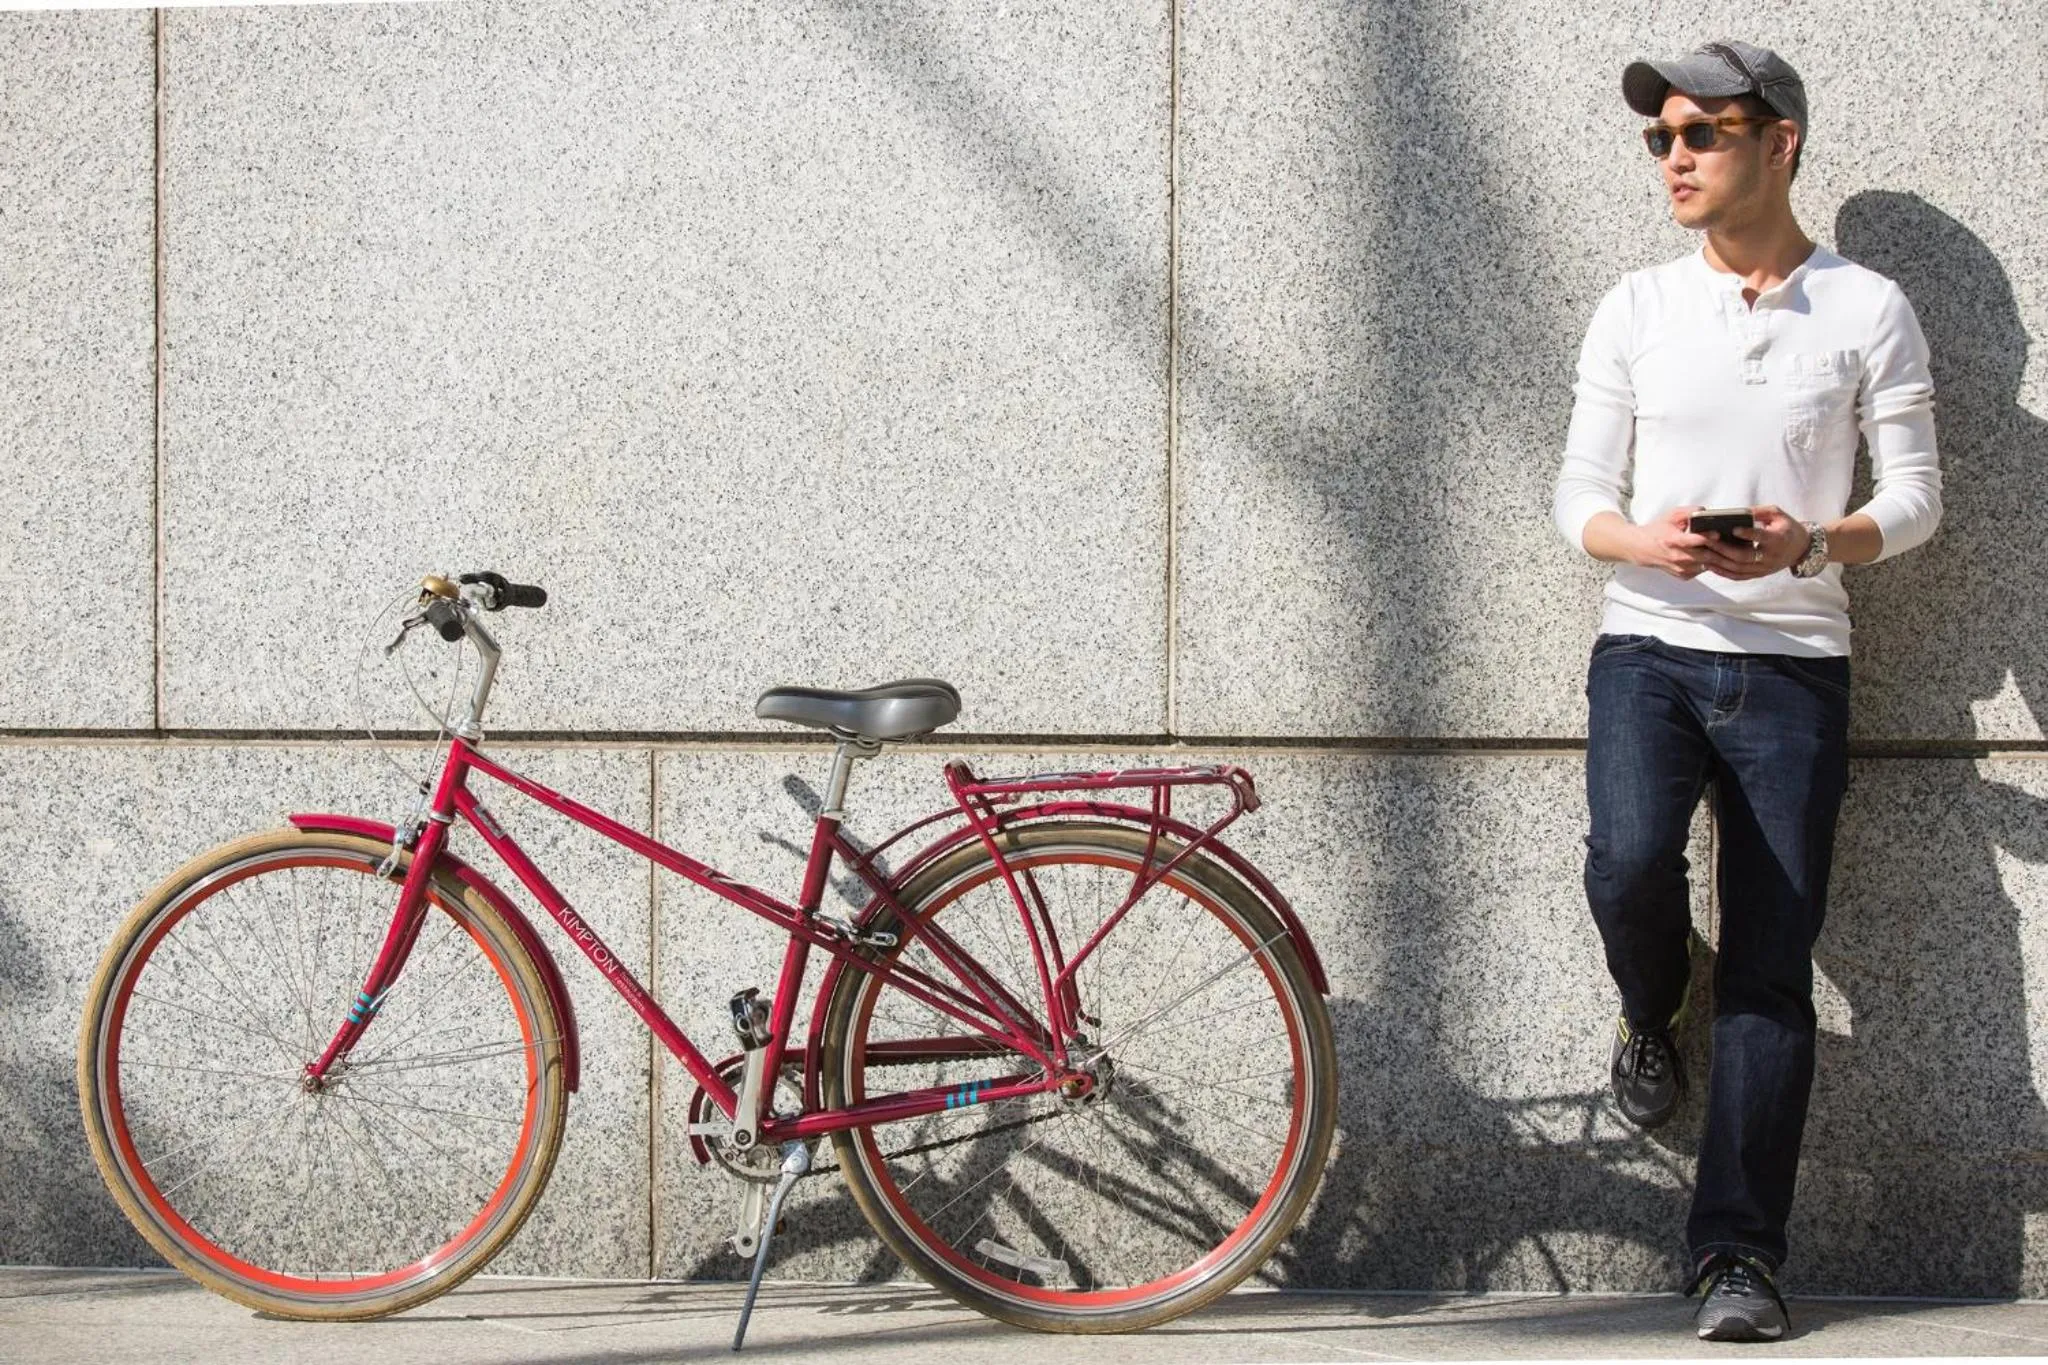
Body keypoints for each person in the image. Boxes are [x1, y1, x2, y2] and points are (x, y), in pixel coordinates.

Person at [1552, 39, 1943, 1343]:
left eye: (1702, 133)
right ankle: (1653, 997)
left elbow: (1917, 503)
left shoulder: (1868, 309)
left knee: (1774, 977)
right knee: (1624, 863)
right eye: (1661, 137)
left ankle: (1736, 1260)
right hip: (1647, 649)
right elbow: (1579, 501)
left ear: (1779, 144)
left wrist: (1814, 544)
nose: (1674, 157)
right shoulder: (1636, 309)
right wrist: (1644, 542)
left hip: (1795, 671)